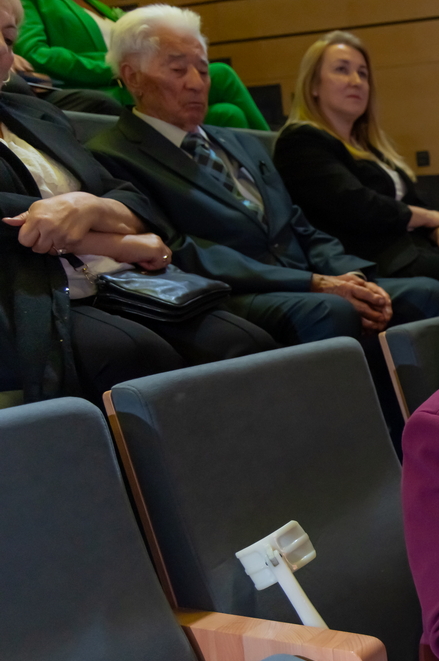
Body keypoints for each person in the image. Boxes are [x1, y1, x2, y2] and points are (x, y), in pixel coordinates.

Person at [86, 5, 439, 348]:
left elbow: (297, 223)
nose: (197, 83)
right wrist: (313, 284)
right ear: (133, 77)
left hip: (308, 278)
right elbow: (182, 250)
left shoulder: (239, 142)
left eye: (203, 69)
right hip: (234, 292)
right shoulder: (115, 153)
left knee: (427, 293)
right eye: (178, 70)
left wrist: (351, 276)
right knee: (331, 310)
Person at [0, 0, 273, 405]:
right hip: (29, 289)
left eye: (8, 38)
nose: (4, 50)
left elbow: (128, 196)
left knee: (242, 340)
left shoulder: (37, 113)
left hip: (112, 279)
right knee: (137, 356)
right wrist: (125, 244)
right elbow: (16, 218)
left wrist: (91, 207)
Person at [273, 31, 439, 312]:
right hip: (373, 259)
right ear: (313, 84)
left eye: (362, 74)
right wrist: (427, 218)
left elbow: (410, 200)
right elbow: (355, 204)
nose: (356, 81)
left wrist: (437, 231)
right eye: (342, 70)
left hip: (411, 249)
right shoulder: (300, 141)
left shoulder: (371, 148)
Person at [15, 0, 268, 129]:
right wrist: (116, 68)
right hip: (102, 88)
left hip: (130, 78)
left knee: (229, 114)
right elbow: (35, 54)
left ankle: (258, 179)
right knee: (221, 73)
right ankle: (279, 152)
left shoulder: (94, 4)